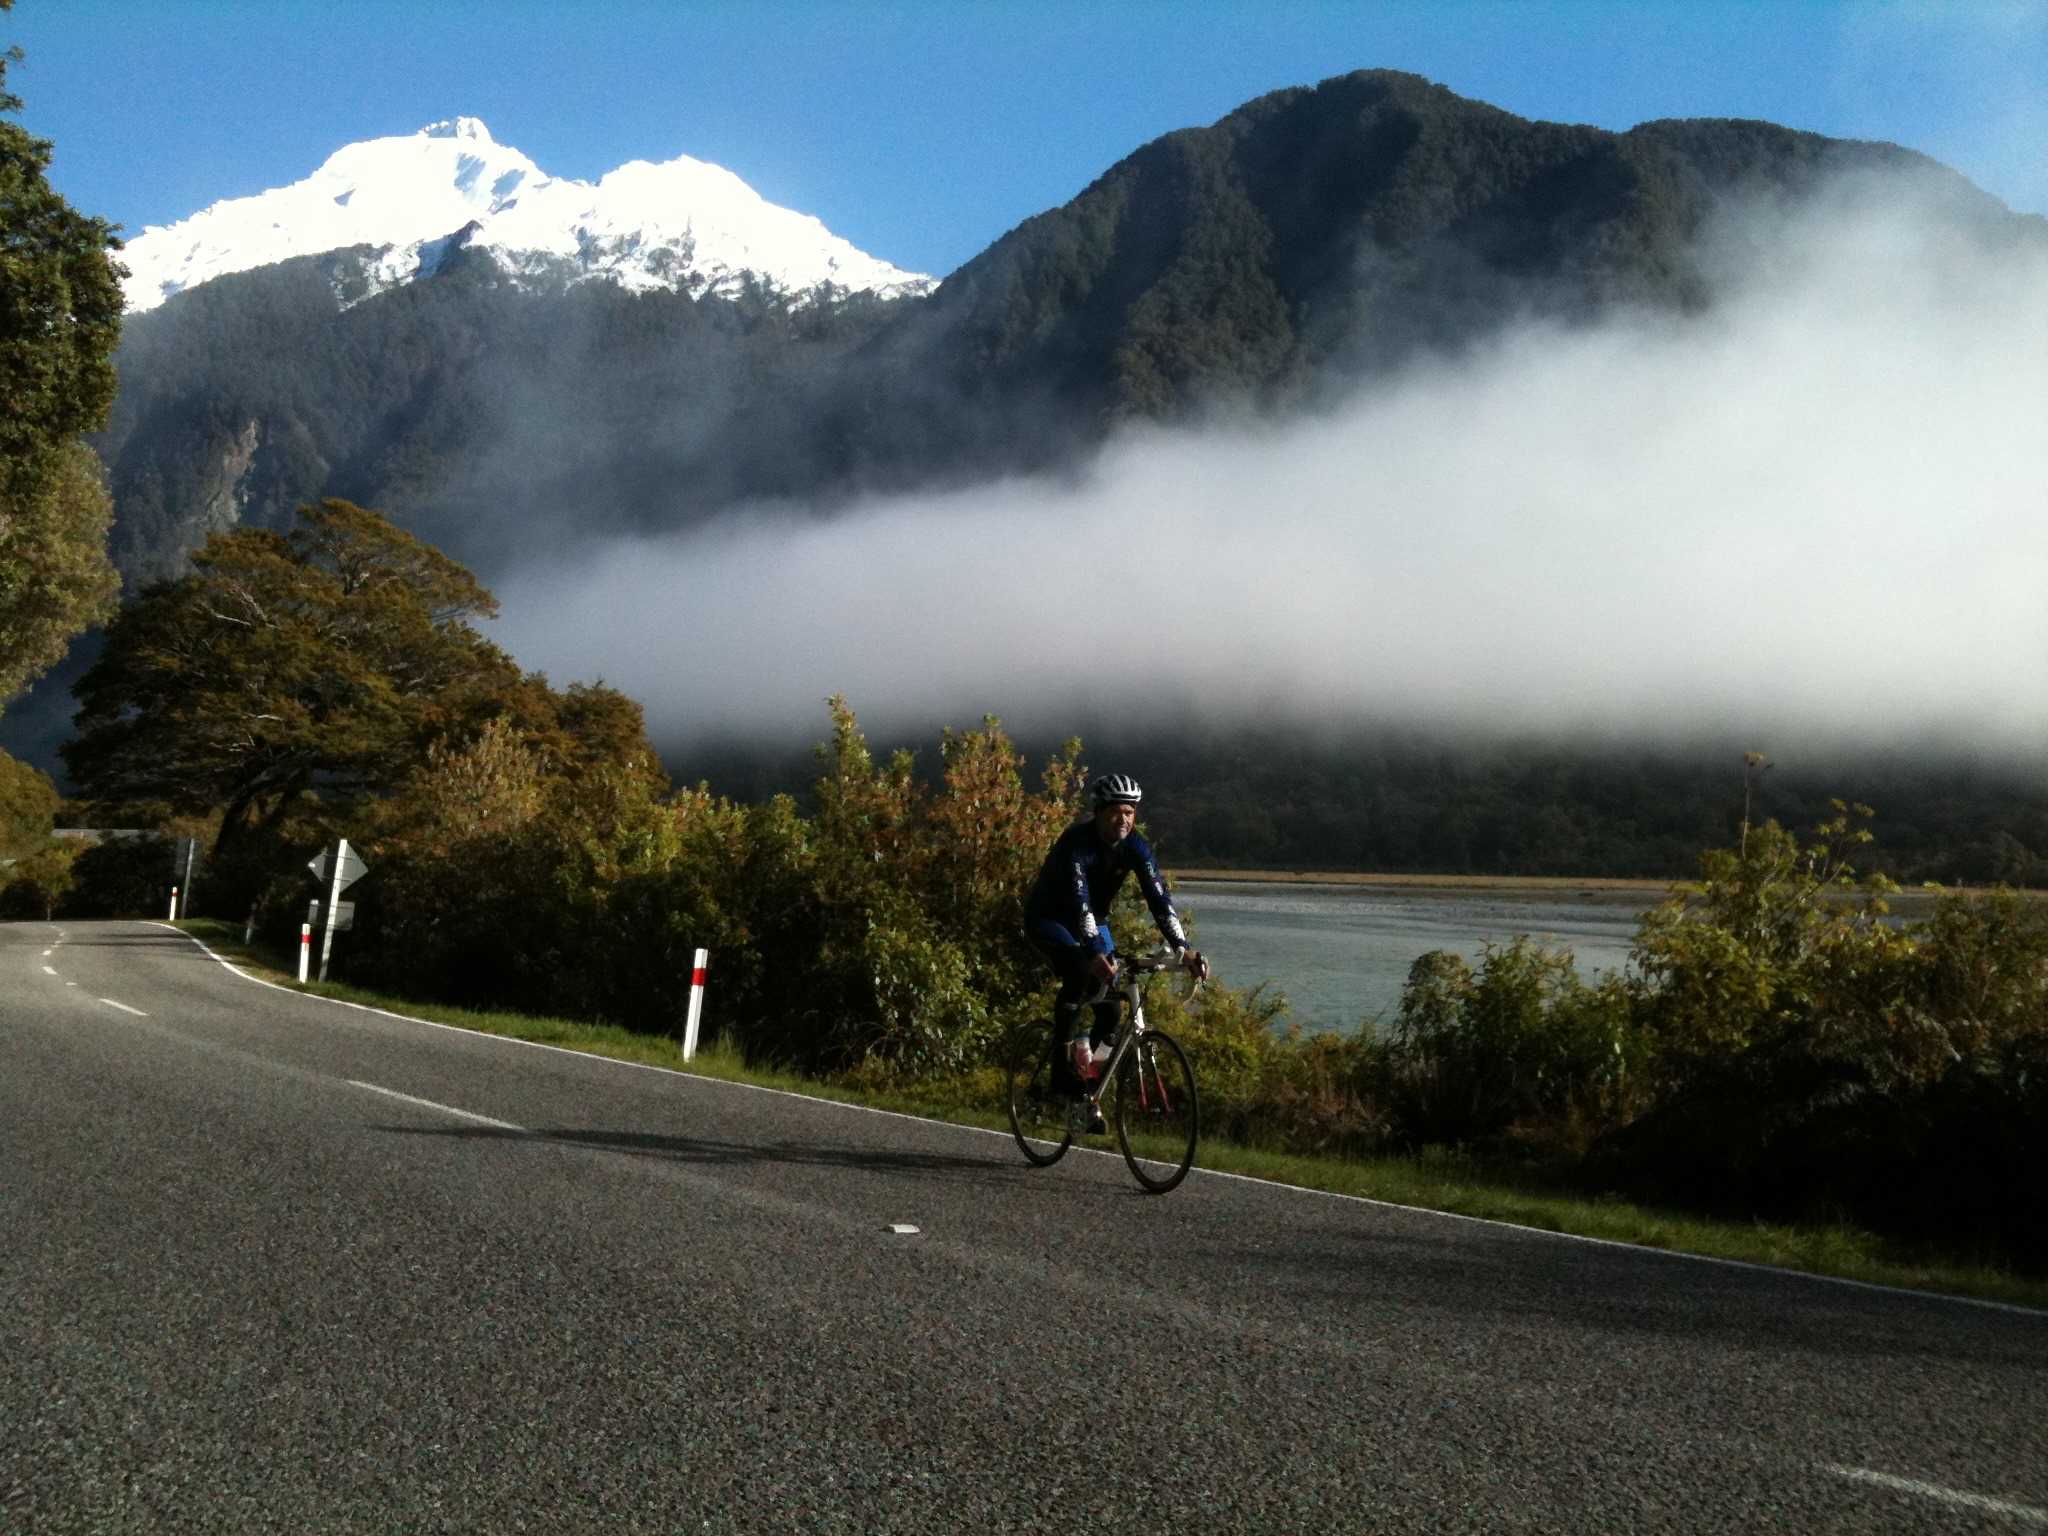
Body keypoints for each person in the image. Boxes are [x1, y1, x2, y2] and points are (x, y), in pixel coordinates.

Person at [1023, 772, 1208, 1130]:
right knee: (1080, 974)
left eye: (1130, 813)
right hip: (1050, 918)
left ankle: (1087, 1083)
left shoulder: (1136, 847)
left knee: (1110, 1011)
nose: (1123, 820)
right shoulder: (1077, 844)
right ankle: (1061, 1075)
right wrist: (1093, 953)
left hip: (1095, 920)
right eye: (1116, 812)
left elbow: (1159, 900)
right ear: (1099, 812)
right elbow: (1080, 904)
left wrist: (1183, 949)